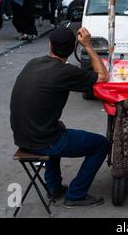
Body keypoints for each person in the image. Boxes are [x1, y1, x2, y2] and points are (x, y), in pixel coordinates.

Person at [10, 26, 110, 207]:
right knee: (101, 144)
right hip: (42, 140)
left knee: (57, 129)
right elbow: (103, 76)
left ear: (50, 45)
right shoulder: (65, 71)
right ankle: (76, 194)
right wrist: (87, 46)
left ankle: (54, 187)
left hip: (21, 137)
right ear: (73, 50)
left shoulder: (33, 62)